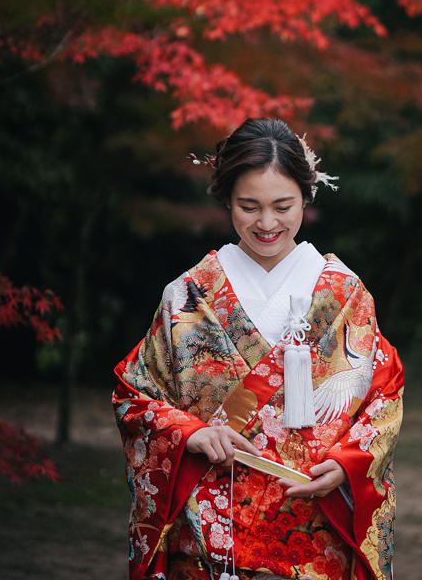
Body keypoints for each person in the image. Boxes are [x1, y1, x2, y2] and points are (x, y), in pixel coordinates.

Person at [113, 118, 404, 580]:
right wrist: (190, 433)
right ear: (226, 199)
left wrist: (350, 465)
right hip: (210, 527)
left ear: (306, 199)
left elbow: (383, 394)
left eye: (282, 206)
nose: (266, 223)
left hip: (313, 524)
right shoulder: (188, 295)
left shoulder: (344, 293)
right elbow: (136, 393)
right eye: (248, 206)